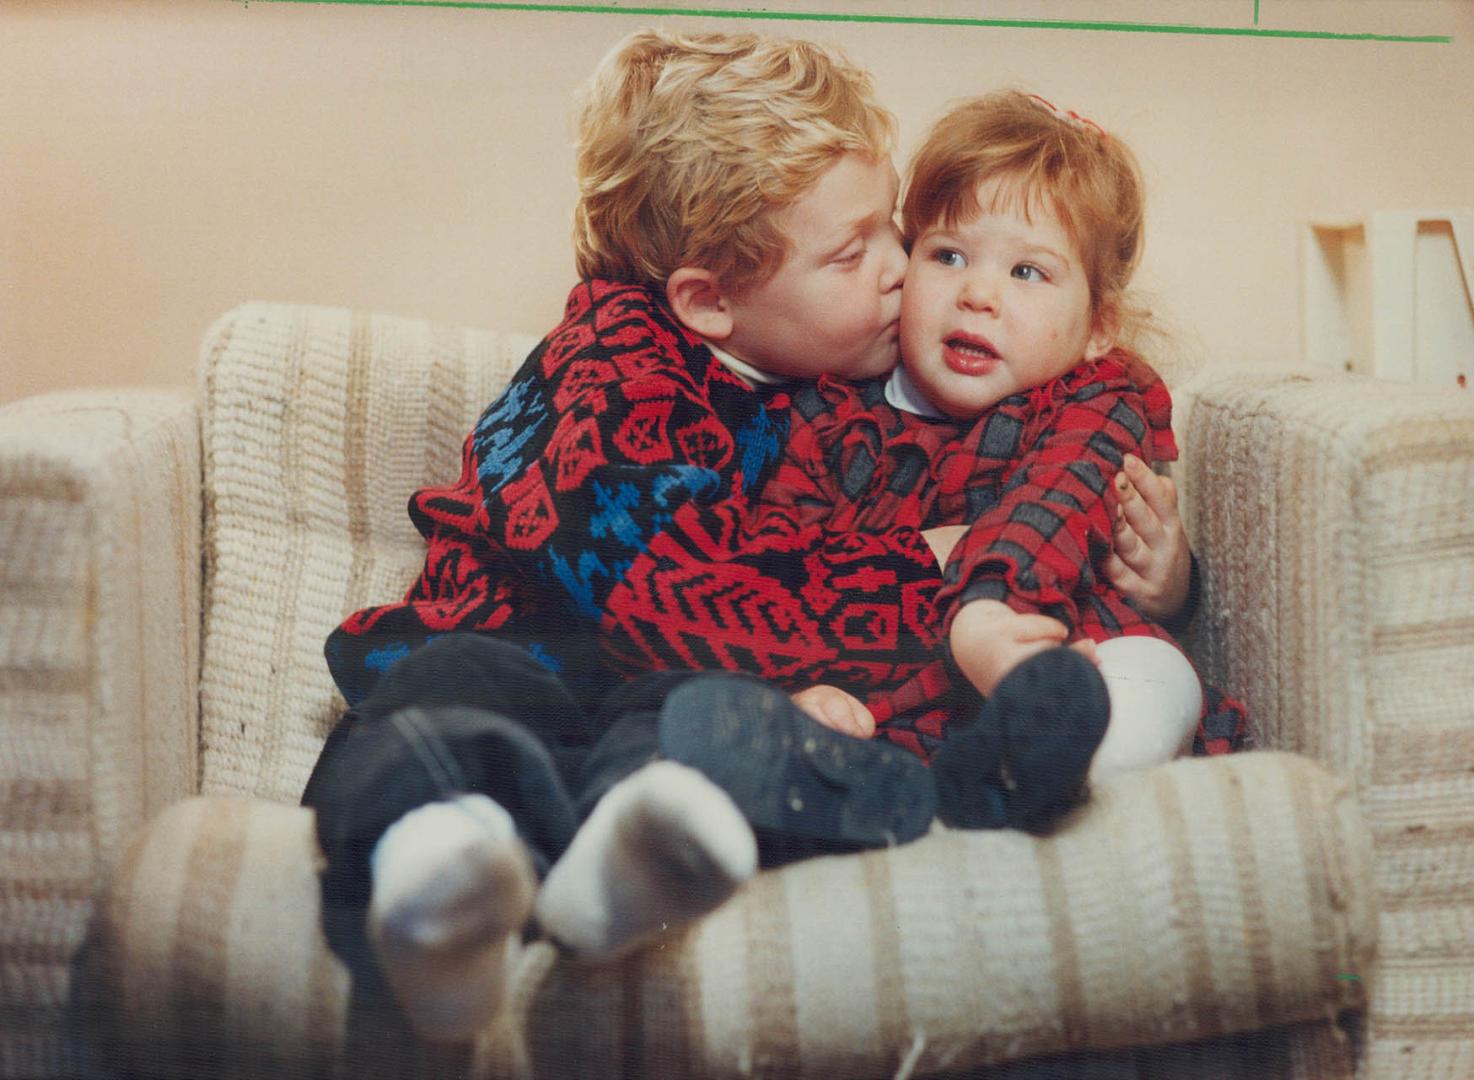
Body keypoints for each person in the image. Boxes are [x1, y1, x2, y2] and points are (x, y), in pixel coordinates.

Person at [303, 32, 1194, 1042]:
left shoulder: (825, 380)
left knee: (679, 742)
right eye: (858, 251)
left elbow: (1016, 462)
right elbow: (667, 584)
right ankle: (429, 884)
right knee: (441, 712)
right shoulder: (609, 370)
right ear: (707, 300)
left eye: (894, 230)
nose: (906, 271)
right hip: (510, 650)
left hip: (641, 697)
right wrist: (925, 563)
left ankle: (600, 887)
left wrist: (1163, 580)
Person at [759, 90, 1247, 827]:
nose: (977, 294)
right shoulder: (830, 409)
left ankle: (1043, 767)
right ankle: (949, 783)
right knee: (800, 716)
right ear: (903, 263)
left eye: (1027, 273)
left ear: (1096, 325)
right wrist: (805, 683)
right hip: (893, 676)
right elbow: (777, 557)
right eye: (947, 255)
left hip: (1062, 651)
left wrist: (990, 610)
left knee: (1155, 675)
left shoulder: (1096, 395)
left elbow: (1048, 504)